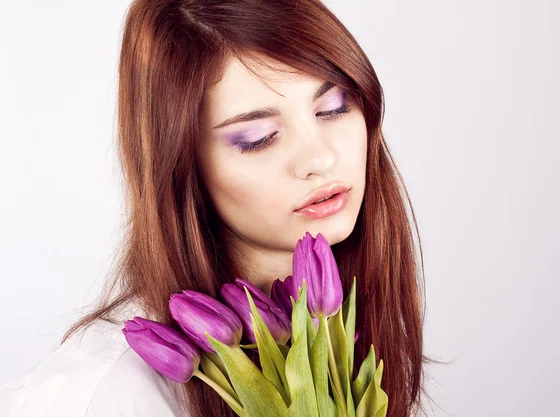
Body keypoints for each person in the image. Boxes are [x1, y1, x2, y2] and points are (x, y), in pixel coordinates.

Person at [0, 0, 437, 416]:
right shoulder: (102, 397)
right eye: (259, 137)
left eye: (333, 108)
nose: (320, 159)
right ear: (183, 167)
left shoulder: (355, 342)